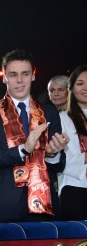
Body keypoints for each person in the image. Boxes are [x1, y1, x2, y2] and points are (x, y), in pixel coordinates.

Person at [0, 49, 69, 223]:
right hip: (2, 206)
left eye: (25, 74)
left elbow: (59, 165)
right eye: (13, 74)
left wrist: (53, 154)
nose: (19, 80)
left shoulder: (49, 111)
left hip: (44, 204)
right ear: (4, 77)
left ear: (33, 75)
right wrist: (23, 150)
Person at [58, 65, 87, 220]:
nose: (85, 88)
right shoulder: (62, 119)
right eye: (80, 83)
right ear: (71, 88)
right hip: (75, 188)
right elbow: (60, 162)